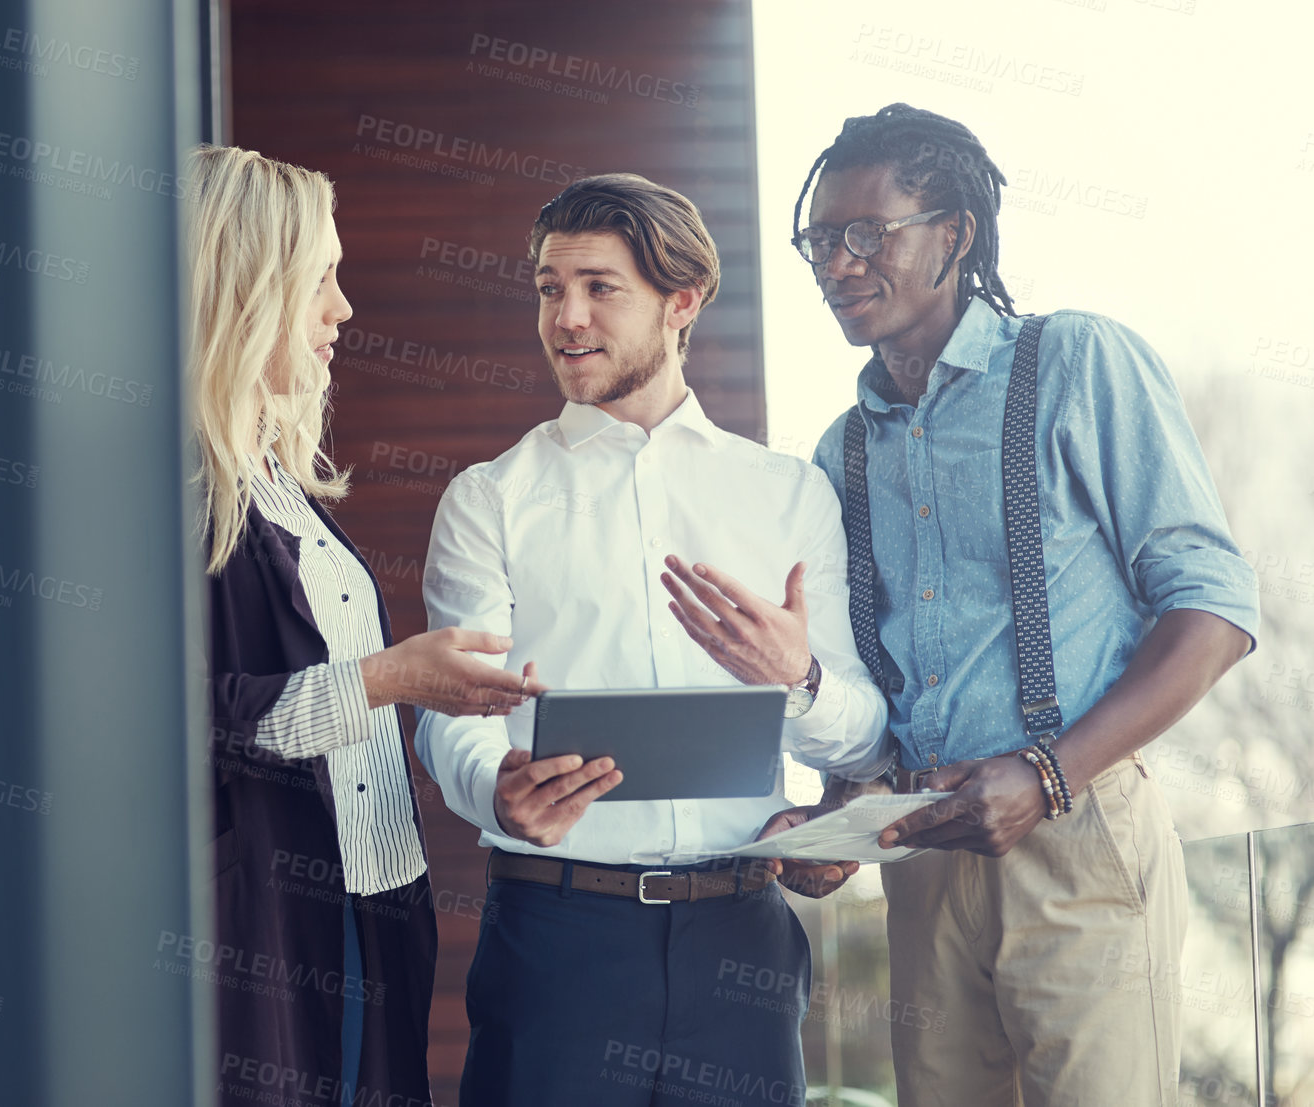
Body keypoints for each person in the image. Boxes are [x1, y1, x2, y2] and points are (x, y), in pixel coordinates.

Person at [793, 104, 1260, 1105]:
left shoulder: (1079, 364)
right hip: (920, 861)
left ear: (954, 234)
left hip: (1082, 840)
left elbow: (1214, 608)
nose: (837, 262)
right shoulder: (838, 453)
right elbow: (878, 686)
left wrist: (1049, 774)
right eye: (821, 239)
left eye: (867, 233)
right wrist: (839, 817)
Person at [415, 172, 892, 1107]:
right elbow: (450, 714)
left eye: (600, 287)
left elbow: (865, 736)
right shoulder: (490, 498)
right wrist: (494, 787)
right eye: (551, 290)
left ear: (682, 302)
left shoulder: (789, 495)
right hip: (556, 939)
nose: (566, 318)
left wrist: (797, 676)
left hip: (741, 944)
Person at [189, 145, 538, 1107]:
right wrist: (389, 680)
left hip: (374, 900)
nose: (343, 309)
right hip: (273, 928)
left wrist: (430, 690)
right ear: (242, 288)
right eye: (319, 283)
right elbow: (184, 720)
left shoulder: (280, 486)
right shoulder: (183, 489)